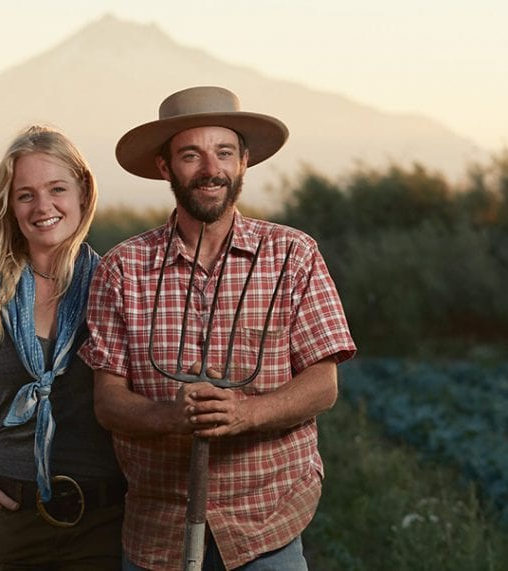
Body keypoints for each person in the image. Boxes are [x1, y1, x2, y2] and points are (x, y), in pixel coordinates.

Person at [78, 86, 356, 570]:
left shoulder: (293, 255)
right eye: (191, 155)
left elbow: (322, 385)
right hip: (157, 531)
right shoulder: (124, 268)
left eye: (224, 152)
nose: (211, 169)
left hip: (265, 525)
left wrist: (242, 414)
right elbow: (109, 401)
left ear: (244, 161)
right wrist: (173, 417)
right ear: (166, 167)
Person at [0, 124, 125, 570]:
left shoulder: (115, 289)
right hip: (12, 516)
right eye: (26, 195)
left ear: (83, 193)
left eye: (57, 189)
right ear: (11, 207)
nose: (43, 207)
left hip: (105, 520)